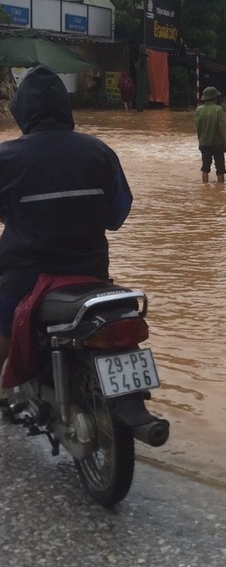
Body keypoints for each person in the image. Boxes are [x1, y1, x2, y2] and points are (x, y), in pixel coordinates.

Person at [0, 65, 133, 371]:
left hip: (24, 280)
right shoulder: (100, 152)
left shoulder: (7, 158)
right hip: (92, 274)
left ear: (22, 111)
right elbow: (117, 215)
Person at [195, 85, 226, 184]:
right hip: (217, 144)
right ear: (215, 98)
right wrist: (225, 143)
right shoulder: (218, 109)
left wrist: (201, 140)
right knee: (220, 169)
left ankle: (205, 187)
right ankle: (221, 190)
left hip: (204, 143)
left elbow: (197, 126)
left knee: (205, 168)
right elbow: (222, 129)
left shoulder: (199, 110)